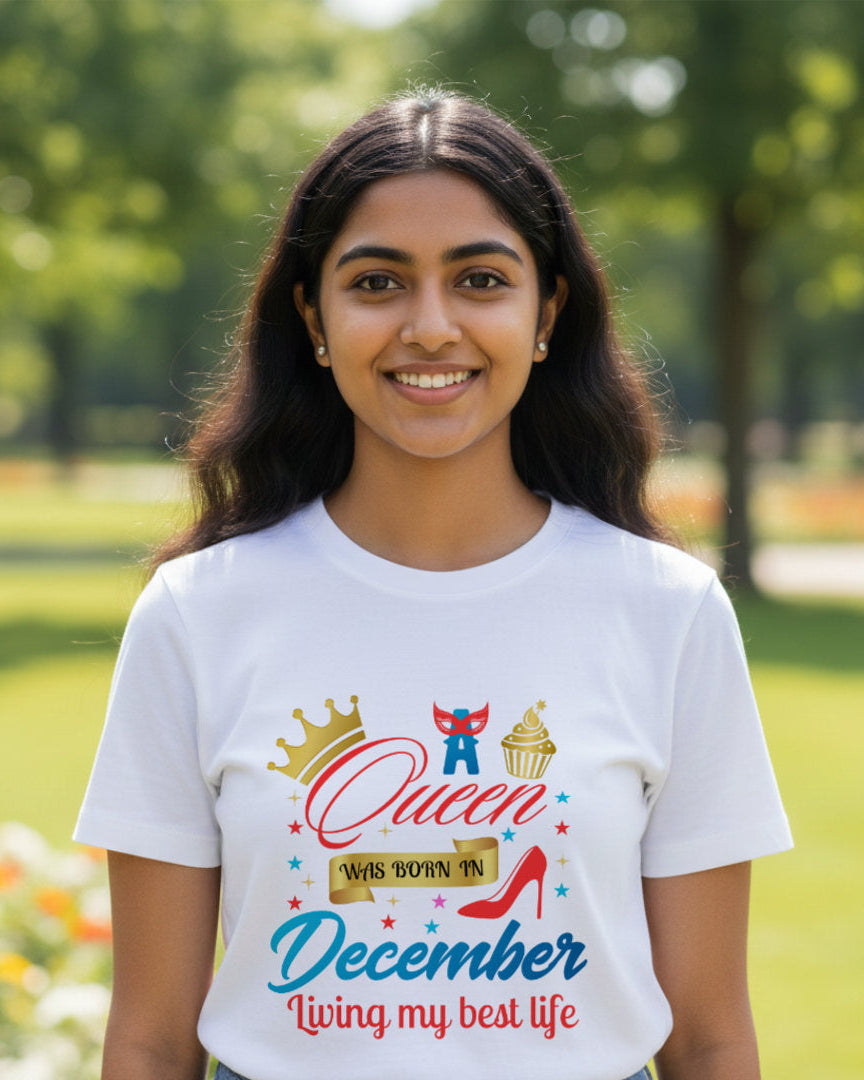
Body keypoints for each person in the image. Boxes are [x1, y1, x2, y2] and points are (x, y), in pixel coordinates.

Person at [75, 90, 792, 1080]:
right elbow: (151, 1039)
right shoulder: (198, 616)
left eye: (480, 280)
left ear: (545, 314)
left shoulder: (667, 612)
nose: (430, 325)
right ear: (313, 318)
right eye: (376, 282)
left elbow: (710, 1039)